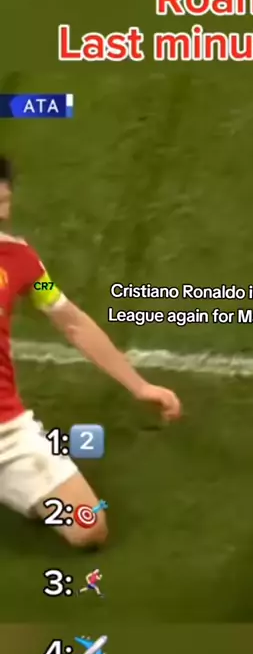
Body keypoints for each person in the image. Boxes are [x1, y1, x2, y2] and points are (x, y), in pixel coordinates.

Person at [0, 156, 181, 548]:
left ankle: (16, 482)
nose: (3, 214)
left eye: (5, 202)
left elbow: (72, 321)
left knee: (88, 527)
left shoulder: (22, 262)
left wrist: (139, 385)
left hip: (6, 429)